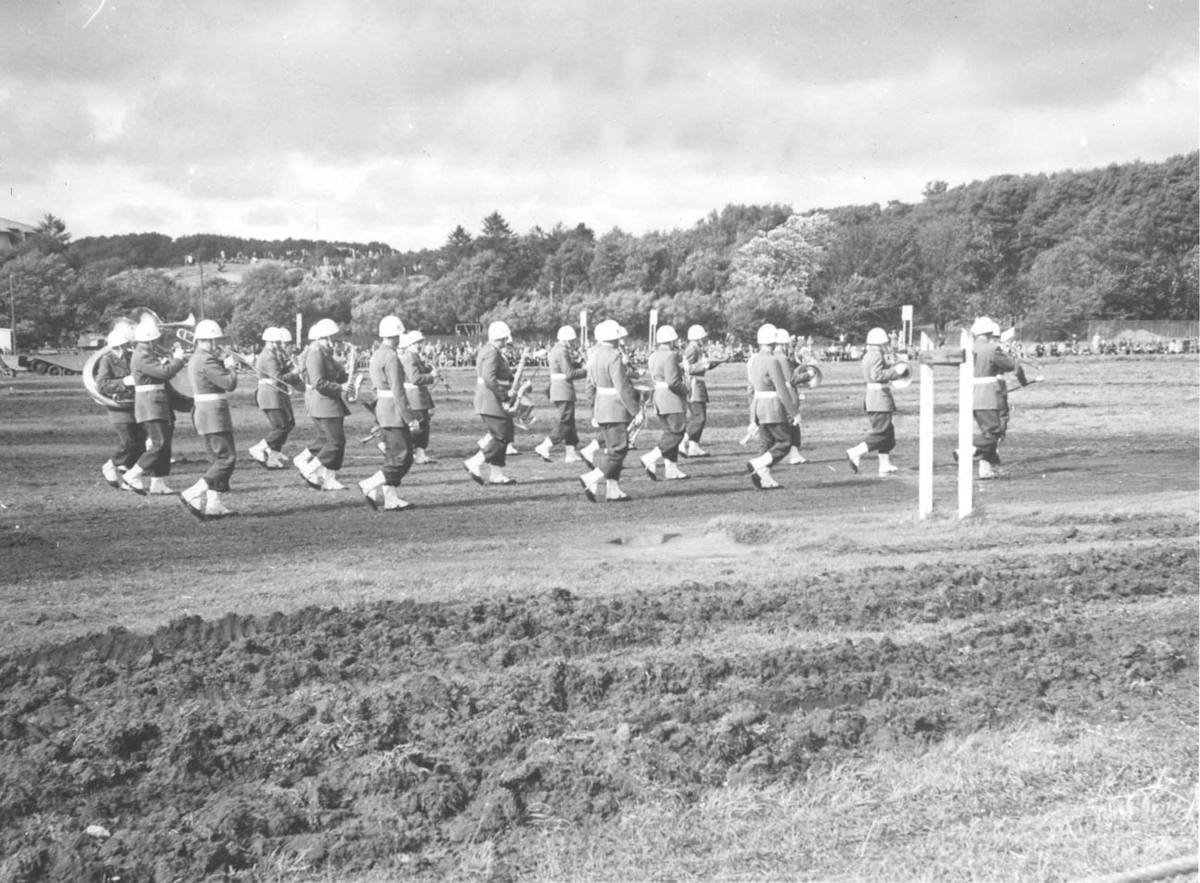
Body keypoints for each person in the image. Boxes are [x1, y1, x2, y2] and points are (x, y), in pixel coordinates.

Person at [180, 320, 240, 520]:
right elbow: (229, 383)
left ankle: (214, 504)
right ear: (211, 341)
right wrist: (231, 367)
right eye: (217, 340)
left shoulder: (200, 357)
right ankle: (194, 492)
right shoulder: (207, 360)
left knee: (217, 460)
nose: (219, 344)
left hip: (206, 413)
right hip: (213, 414)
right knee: (226, 459)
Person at [122, 315, 188, 496]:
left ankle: (158, 482)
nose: (159, 341)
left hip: (157, 403)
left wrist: (172, 360)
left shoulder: (146, 353)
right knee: (160, 443)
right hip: (151, 404)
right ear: (151, 341)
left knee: (164, 444)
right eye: (157, 339)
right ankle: (133, 474)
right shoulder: (142, 355)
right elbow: (164, 372)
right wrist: (179, 359)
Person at [359, 316, 419, 510]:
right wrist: (409, 418)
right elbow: (398, 390)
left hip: (383, 409)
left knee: (393, 456)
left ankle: (391, 498)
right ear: (395, 335)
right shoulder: (391, 356)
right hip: (393, 410)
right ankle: (369, 484)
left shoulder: (377, 353)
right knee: (403, 457)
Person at [578, 319, 641, 502]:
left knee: (612, 449)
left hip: (601, 407)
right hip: (615, 408)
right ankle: (591, 478)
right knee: (618, 450)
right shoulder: (614, 356)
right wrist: (636, 411)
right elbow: (622, 387)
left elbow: (589, 387)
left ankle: (613, 488)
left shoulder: (594, 355)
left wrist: (593, 410)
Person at [293, 318, 351, 491]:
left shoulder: (325, 353)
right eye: (329, 337)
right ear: (321, 338)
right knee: (336, 442)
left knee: (333, 440)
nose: (332, 340)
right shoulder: (316, 353)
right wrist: (340, 387)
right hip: (324, 404)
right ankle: (310, 470)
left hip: (330, 403)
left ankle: (329, 477)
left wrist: (342, 371)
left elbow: (339, 376)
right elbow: (319, 382)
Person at [845, 327, 910, 476]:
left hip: (876, 397)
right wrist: (896, 372)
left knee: (889, 434)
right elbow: (877, 375)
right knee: (882, 434)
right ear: (881, 342)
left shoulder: (871, 354)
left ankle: (884, 464)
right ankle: (855, 452)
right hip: (879, 398)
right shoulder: (876, 354)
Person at [970, 316, 1026, 479]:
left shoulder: (968, 348)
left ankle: (987, 464)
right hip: (987, 395)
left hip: (970, 395)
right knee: (994, 432)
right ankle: (970, 451)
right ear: (989, 332)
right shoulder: (991, 349)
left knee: (987, 430)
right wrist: (1022, 380)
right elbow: (1012, 366)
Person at [745, 324, 800, 489]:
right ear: (775, 343)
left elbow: (751, 388)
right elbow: (782, 389)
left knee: (766, 443)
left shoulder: (753, 359)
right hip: (772, 408)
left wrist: (752, 417)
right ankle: (758, 463)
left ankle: (764, 477)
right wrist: (794, 412)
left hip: (759, 406)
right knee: (784, 442)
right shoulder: (772, 361)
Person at [464, 321, 518, 486]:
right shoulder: (492, 352)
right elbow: (489, 378)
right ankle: (475, 462)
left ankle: (496, 473)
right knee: (501, 435)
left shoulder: (492, 350)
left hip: (491, 397)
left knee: (505, 433)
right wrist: (505, 392)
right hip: (491, 398)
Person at [94, 319, 145, 489]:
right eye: (124, 345)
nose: (126, 347)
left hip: (134, 404)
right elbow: (102, 384)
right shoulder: (106, 361)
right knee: (128, 442)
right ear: (117, 346)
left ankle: (127, 474)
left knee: (140, 442)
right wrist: (124, 381)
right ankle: (110, 465)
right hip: (119, 407)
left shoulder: (130, 357)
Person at [248, 327, 304, 469]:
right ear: (272, 342)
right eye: (278, 343)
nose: (281, 345)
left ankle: (273, 454)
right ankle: (259, 448)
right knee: (281, 426)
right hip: (270, 395)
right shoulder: (268, 356)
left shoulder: (271, 354)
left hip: (274, 395)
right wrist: (295, 372)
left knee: (283, 425)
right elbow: (278, 379)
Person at [640, 325, 690, 481]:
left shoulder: (654, 355)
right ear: (672, 340)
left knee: (670, 431)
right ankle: (651, 456)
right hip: (671, 397)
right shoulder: (670, 355)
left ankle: (671, 468)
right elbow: (673, 382)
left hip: (659, 396)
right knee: (677, 431)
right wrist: (686, 390)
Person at [535, 325, 588, 463]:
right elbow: (569, 373)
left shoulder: (556, 349)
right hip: (563, 389)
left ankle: (570, 453)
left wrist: (578, 364)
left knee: (569, 422)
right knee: (566, 422)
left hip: (559, 389)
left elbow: (564, 368)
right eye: (571, 340)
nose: (572, 344)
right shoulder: (562, 351)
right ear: (567, 340)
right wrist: (587, 370)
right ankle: (545, 445)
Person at [398, 329, 439, 465]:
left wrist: (428, 370)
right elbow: (415, 378)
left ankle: (419, 453)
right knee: (419, 427)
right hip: (414, 397)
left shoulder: (414, 356)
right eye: (418, 342)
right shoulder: (409, 357)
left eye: (421, 342)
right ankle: (413, 453)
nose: (421, 345)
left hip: (419, 396)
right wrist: (431, 376)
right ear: (411, 344)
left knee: (423, 426)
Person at [681, 324, 719, 458]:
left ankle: (694, 446)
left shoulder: (697, 348)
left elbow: (703, 367)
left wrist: (716, 362)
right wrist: (705, 364)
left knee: (700, 417)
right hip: (694, 384)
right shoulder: (692, 349)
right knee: (699, 417)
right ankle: (683, 440)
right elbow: (688, 369)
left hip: (699, 383)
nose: (705, 339)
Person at [774, 328, 807, 465]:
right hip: (788, 391)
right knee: (792, 423)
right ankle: (791, 453)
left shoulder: (777, 355)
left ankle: (794, 452)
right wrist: (807, 376)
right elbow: (791, 378)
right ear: (784, 343)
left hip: (781, 391)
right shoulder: (782, 357)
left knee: (792, 424)